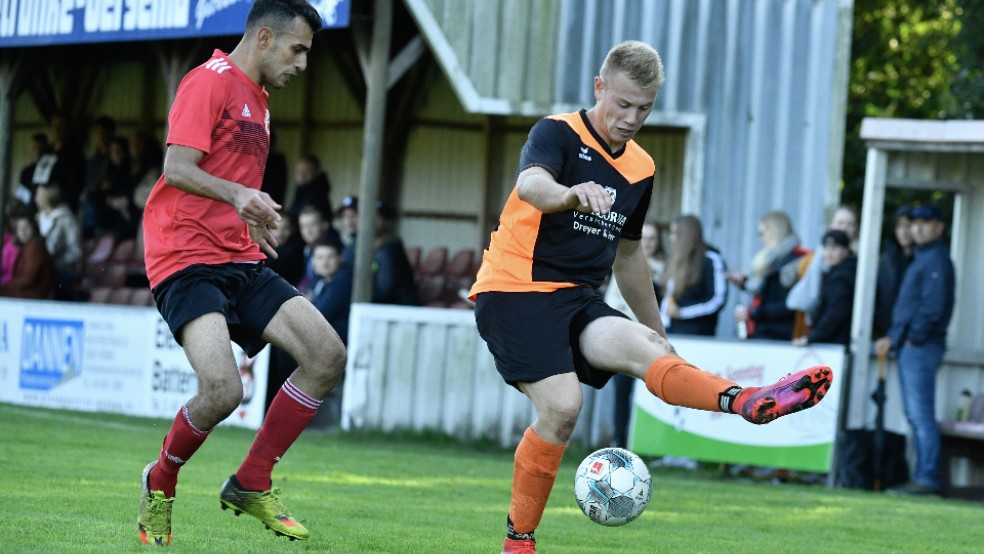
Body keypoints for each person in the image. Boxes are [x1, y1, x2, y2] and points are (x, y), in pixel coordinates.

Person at [467, 41, 832, 554]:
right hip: (513, 289)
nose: (632, 118)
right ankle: (518, 542)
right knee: (564, 406)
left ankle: (747, 401)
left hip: (576, 298)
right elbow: (531, 187)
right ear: (600, 88)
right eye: (622, 104)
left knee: (651, 351)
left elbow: (631, 257)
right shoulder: (556, 133)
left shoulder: (641, 168)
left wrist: (657, 329)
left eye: (645, 108)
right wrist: (570, 194)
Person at [136, 1, 345, 545]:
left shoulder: (260, 101)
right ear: (266, 38)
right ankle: (161, 481)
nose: (302, 64)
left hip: (238, 257)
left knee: (327, 356)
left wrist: (250, 221)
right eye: (298, 50)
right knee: (223, 390)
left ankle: (252, 480)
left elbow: (233, 184)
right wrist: (240, 197)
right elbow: (176, 168)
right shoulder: (208, 82)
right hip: (185, 258)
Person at [875, 204, 955, 497]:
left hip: (921, 347)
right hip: (912, 345)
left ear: (939, 227)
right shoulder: (923, 257)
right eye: (915, 223)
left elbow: (932, 308)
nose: (917, 228)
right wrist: (895, 337)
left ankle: (927, 479)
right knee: (915, 414)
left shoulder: (935, 259)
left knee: (921, 415)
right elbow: (910, 307)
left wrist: (912, 338)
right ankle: (923, 476)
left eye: (925, 223)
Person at [602, 220, 665, 449]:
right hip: (622, 335)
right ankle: (620, 442)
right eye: (643, 237)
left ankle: (649, 445)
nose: (646, 244)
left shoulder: (663, 271)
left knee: (652, 394)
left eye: (652, 239)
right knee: (622, 393)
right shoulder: (620, 261)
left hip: (650, 338)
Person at [728, 210, 808, 341]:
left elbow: (788, 304)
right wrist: (743, 282)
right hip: (766, 331)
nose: (761, 239)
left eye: (762, 233)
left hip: (779, 336)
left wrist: (753, 313)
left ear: (773, 232)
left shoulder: (794, 261)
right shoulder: (773, 259)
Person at [786, 205, 859, 331]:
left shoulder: (859, 262)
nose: (844, 229)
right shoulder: (814, 259)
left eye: (849, 224)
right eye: (840, 223)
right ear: (831, 225)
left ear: (856, 229)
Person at [660, 214, 727, 336]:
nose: (671, 238)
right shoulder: (674, 261)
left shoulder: (711, 259)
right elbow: (668, 298)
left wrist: (682, 313)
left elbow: (717, 300)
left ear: (687, 235)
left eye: (675, 233)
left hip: (698, 335)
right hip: (672, 332)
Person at [792, 229, 856, 347]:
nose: (829, 253)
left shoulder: (842, 277)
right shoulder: (836, 272)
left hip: (835, 344)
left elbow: (836, 313)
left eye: (835, 248)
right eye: (826, 248)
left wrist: (813, 337)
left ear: (846, 250)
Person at [34, 183, 83, 294]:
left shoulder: (66, 219)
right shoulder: (39, 217)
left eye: (38, 194)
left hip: (63, 268)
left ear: (47, 197)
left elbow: (76, 252)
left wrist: (53, 264)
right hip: (43, 266)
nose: (35, 198)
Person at [874, 205, 914, 337]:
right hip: (886, 330)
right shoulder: (887, 258)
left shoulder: (923, 260)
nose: (904, 231)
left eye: (908, 226)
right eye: (899, 226)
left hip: (912, 334)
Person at [0, 205, 55, 299]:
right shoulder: (29, 246)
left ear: (33, 227)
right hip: (28, 293)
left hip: (32, 295)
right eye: (19, 228)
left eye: (26, 227)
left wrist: (5, 286)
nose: (23, 231)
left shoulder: (35, 247)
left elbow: (28, 279)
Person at [287, 153, 333, 222]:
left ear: (317, 172)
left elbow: (296, 216)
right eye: (299, 171)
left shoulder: (318, 193)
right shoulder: (301, 190)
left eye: (306, 172)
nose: (301, 175)